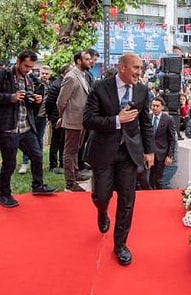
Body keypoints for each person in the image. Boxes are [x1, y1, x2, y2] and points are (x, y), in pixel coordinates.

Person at [82, 53, 155, 266]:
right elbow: (88, 120)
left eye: (141, 68)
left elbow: (145, 122)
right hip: (104, 151)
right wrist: (116, 120)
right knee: (102, 195)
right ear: (122, 67)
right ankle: (102, 210)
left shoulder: (141, 90)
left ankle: (120, 245)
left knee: (127, 201)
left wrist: (149, 151)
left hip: (129, 154)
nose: (139, 72)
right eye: (136, 68)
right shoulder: (100, 87)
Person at [0, 50, 56, 208]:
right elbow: (8, 97)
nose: (28, 69)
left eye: (30, 67)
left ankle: (38, 185)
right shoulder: (4, 75)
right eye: (26, 66)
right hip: (8, 128)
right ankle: (4, 193)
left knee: (37, 155)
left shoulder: (29, 79)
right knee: (9, 163)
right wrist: (10, 97)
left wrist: (34, 99)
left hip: (26, 126)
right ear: (18, 61)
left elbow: (27, 100)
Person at [57, 50, 93, 192]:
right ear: (79, 61)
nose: (90, 61)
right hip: (73, 120)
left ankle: (76, 173)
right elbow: (61, 101)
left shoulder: (83, 75)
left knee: (75, 150)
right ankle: (70, 181)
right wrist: (64, 116)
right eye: (87, 59)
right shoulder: (71, 77)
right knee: (69, 151)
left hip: (81, 120)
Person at [45, 63, 73, 174]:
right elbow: (50, 102)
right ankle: (53, 164)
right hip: (57, 116)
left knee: (63, 141)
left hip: (63, 116)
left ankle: (62, 162)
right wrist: (51, 116)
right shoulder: (57, 85)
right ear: (65, 72)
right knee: (56, 141)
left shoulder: (64, 82)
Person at [148, 97, 176, 189]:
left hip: (161, 154)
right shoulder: (148, 117)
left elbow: (172, 139)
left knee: (158, 179)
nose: (154, 108)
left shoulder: (168, 119)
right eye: (153, 105)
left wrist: (170, 155)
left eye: (157, 106)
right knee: (149, 179)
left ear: (162, 107)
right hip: (149, 154)